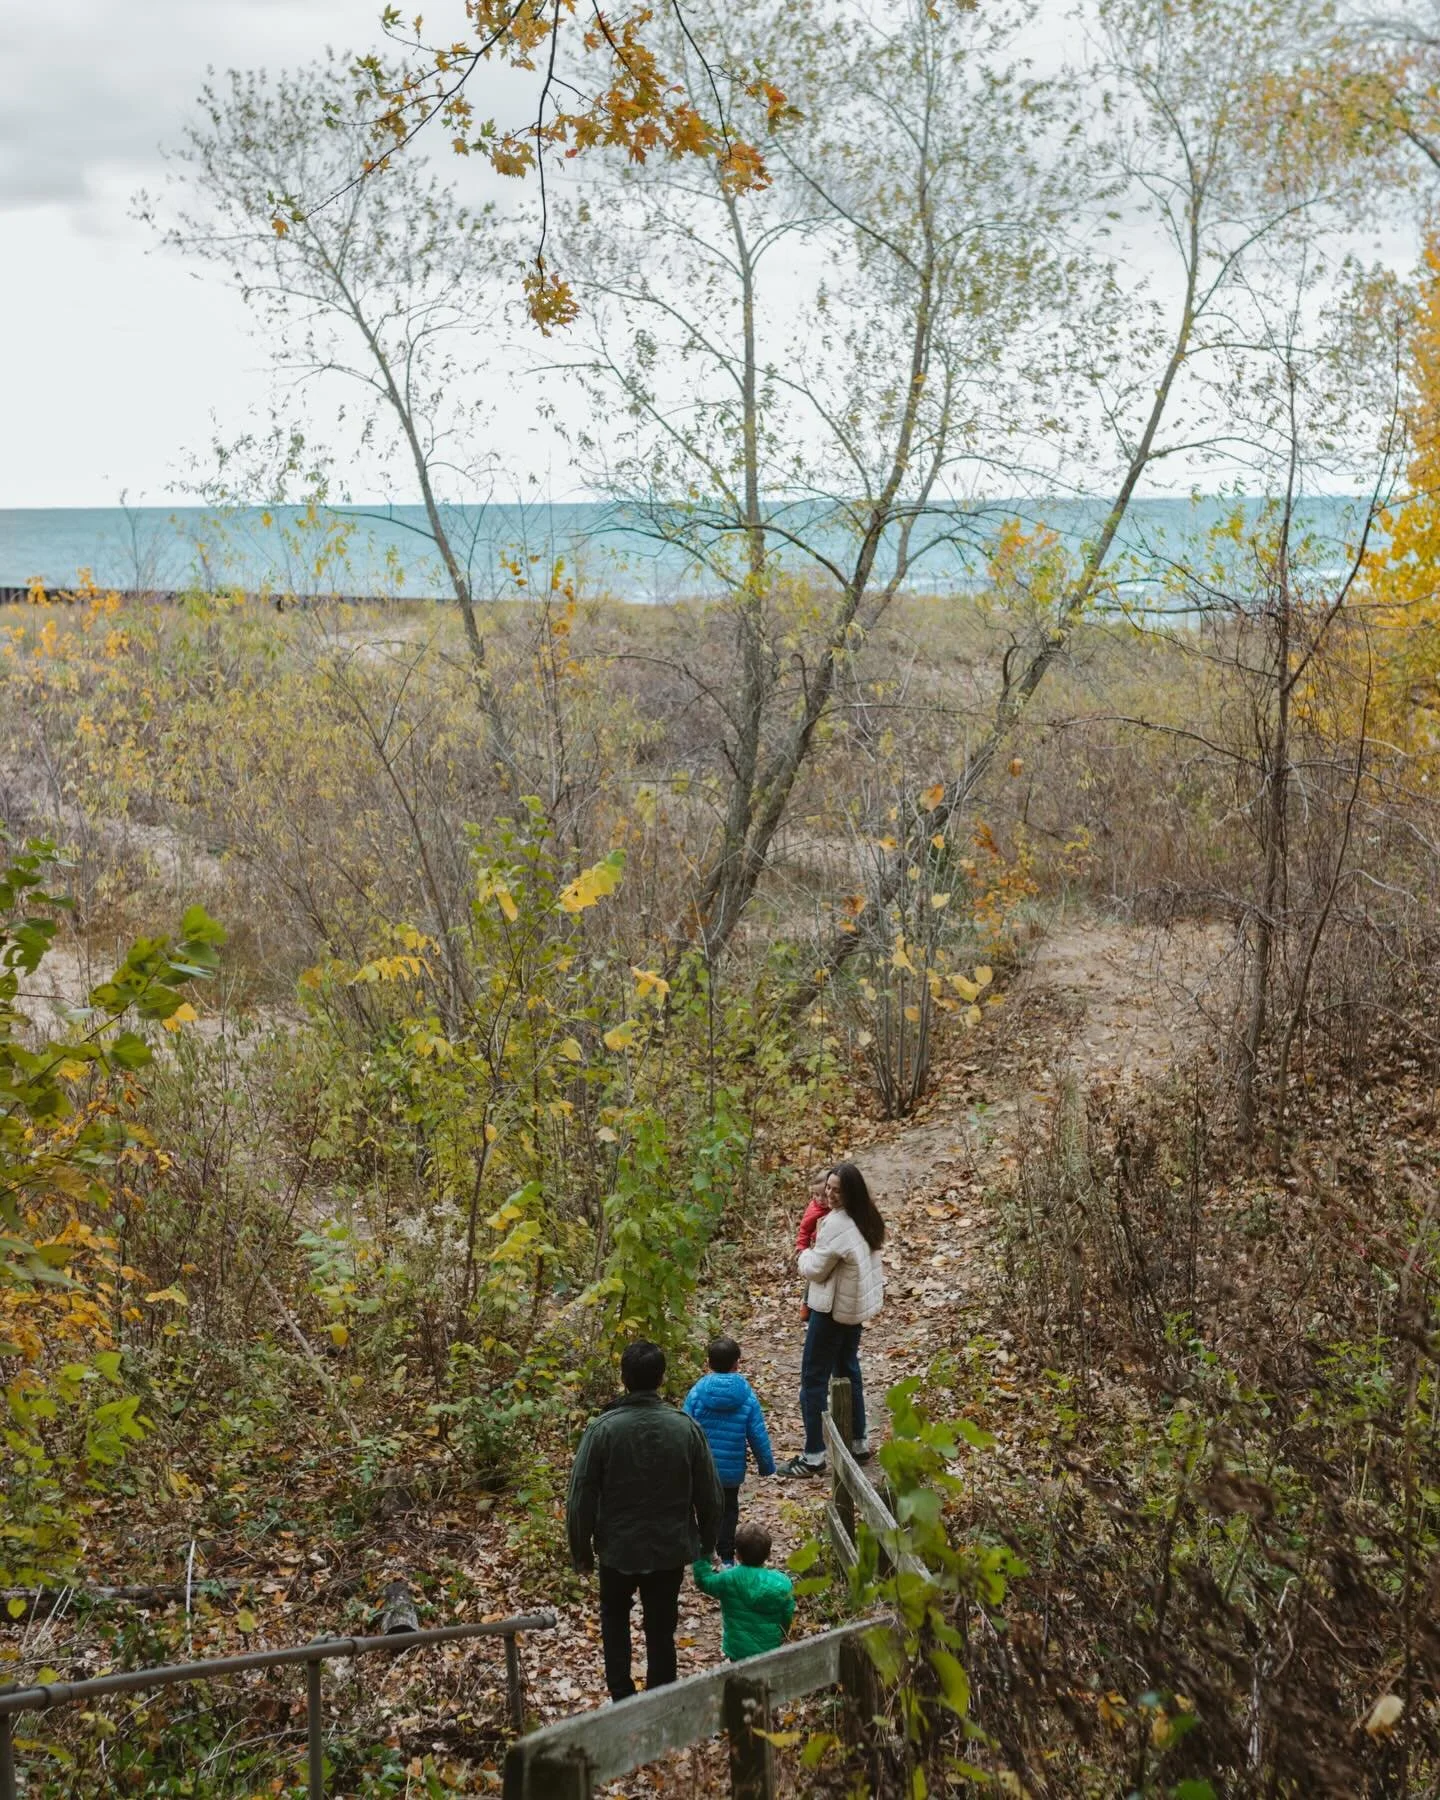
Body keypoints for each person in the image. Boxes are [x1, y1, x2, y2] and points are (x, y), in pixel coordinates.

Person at [566, 1340, 724, 1702]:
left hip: (617, 1550)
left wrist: (581, 1553)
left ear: (624, 1378)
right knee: (661, 1624)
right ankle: (660, 1699)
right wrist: (707, 1543)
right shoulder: (685, 1429)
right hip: (669, 1549)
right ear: (661, 1378)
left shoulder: (602, 1431)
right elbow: (710, 1495)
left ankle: (622, 1698)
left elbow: (581, 1497)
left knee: (615, 1622)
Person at [779, 1162, 885, 1478]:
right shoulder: (867, 1217)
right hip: (853, 1309)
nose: (830, 1194)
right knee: (848, 1370)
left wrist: (802, 1254)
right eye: (828, 1187)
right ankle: (858, 1441)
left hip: (831, 1311)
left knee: (813, 1378)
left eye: (837, 1189)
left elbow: (815, 1269)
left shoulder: (837, 1224)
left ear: (850, 1191)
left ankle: (813, 1455)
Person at [683, 1336, 777, 1564]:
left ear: (708, 1363)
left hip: (701, 1468)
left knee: (703, 1507)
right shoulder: (746, 1396)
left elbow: (684, 1428)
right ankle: (726, 1555)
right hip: (731, 1471)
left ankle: (705, 1550)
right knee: (729, 1510)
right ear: (737, 1363)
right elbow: (757, 1433)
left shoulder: (697, 1393)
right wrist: (766, 1465)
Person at [691, 1522, 796, 1660]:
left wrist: (702, 1553)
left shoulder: (728, 1579)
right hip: (769, 1647)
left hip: (737, 1649)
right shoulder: (782, 1583)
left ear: (737, 1555)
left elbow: (704, 1581)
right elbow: (787, 1613)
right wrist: (783, 1633)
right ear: (768, 1554)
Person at [795, 1167, 832, 1321]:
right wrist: (801, 1248)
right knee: (813, 1278)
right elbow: (804, 1229)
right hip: (818, 1247)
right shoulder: (814, 1209)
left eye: (824, 1195)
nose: (820, 1199)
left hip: (833, 1246)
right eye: (816, 1195)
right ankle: (806, 1303)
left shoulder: (835, 1207)